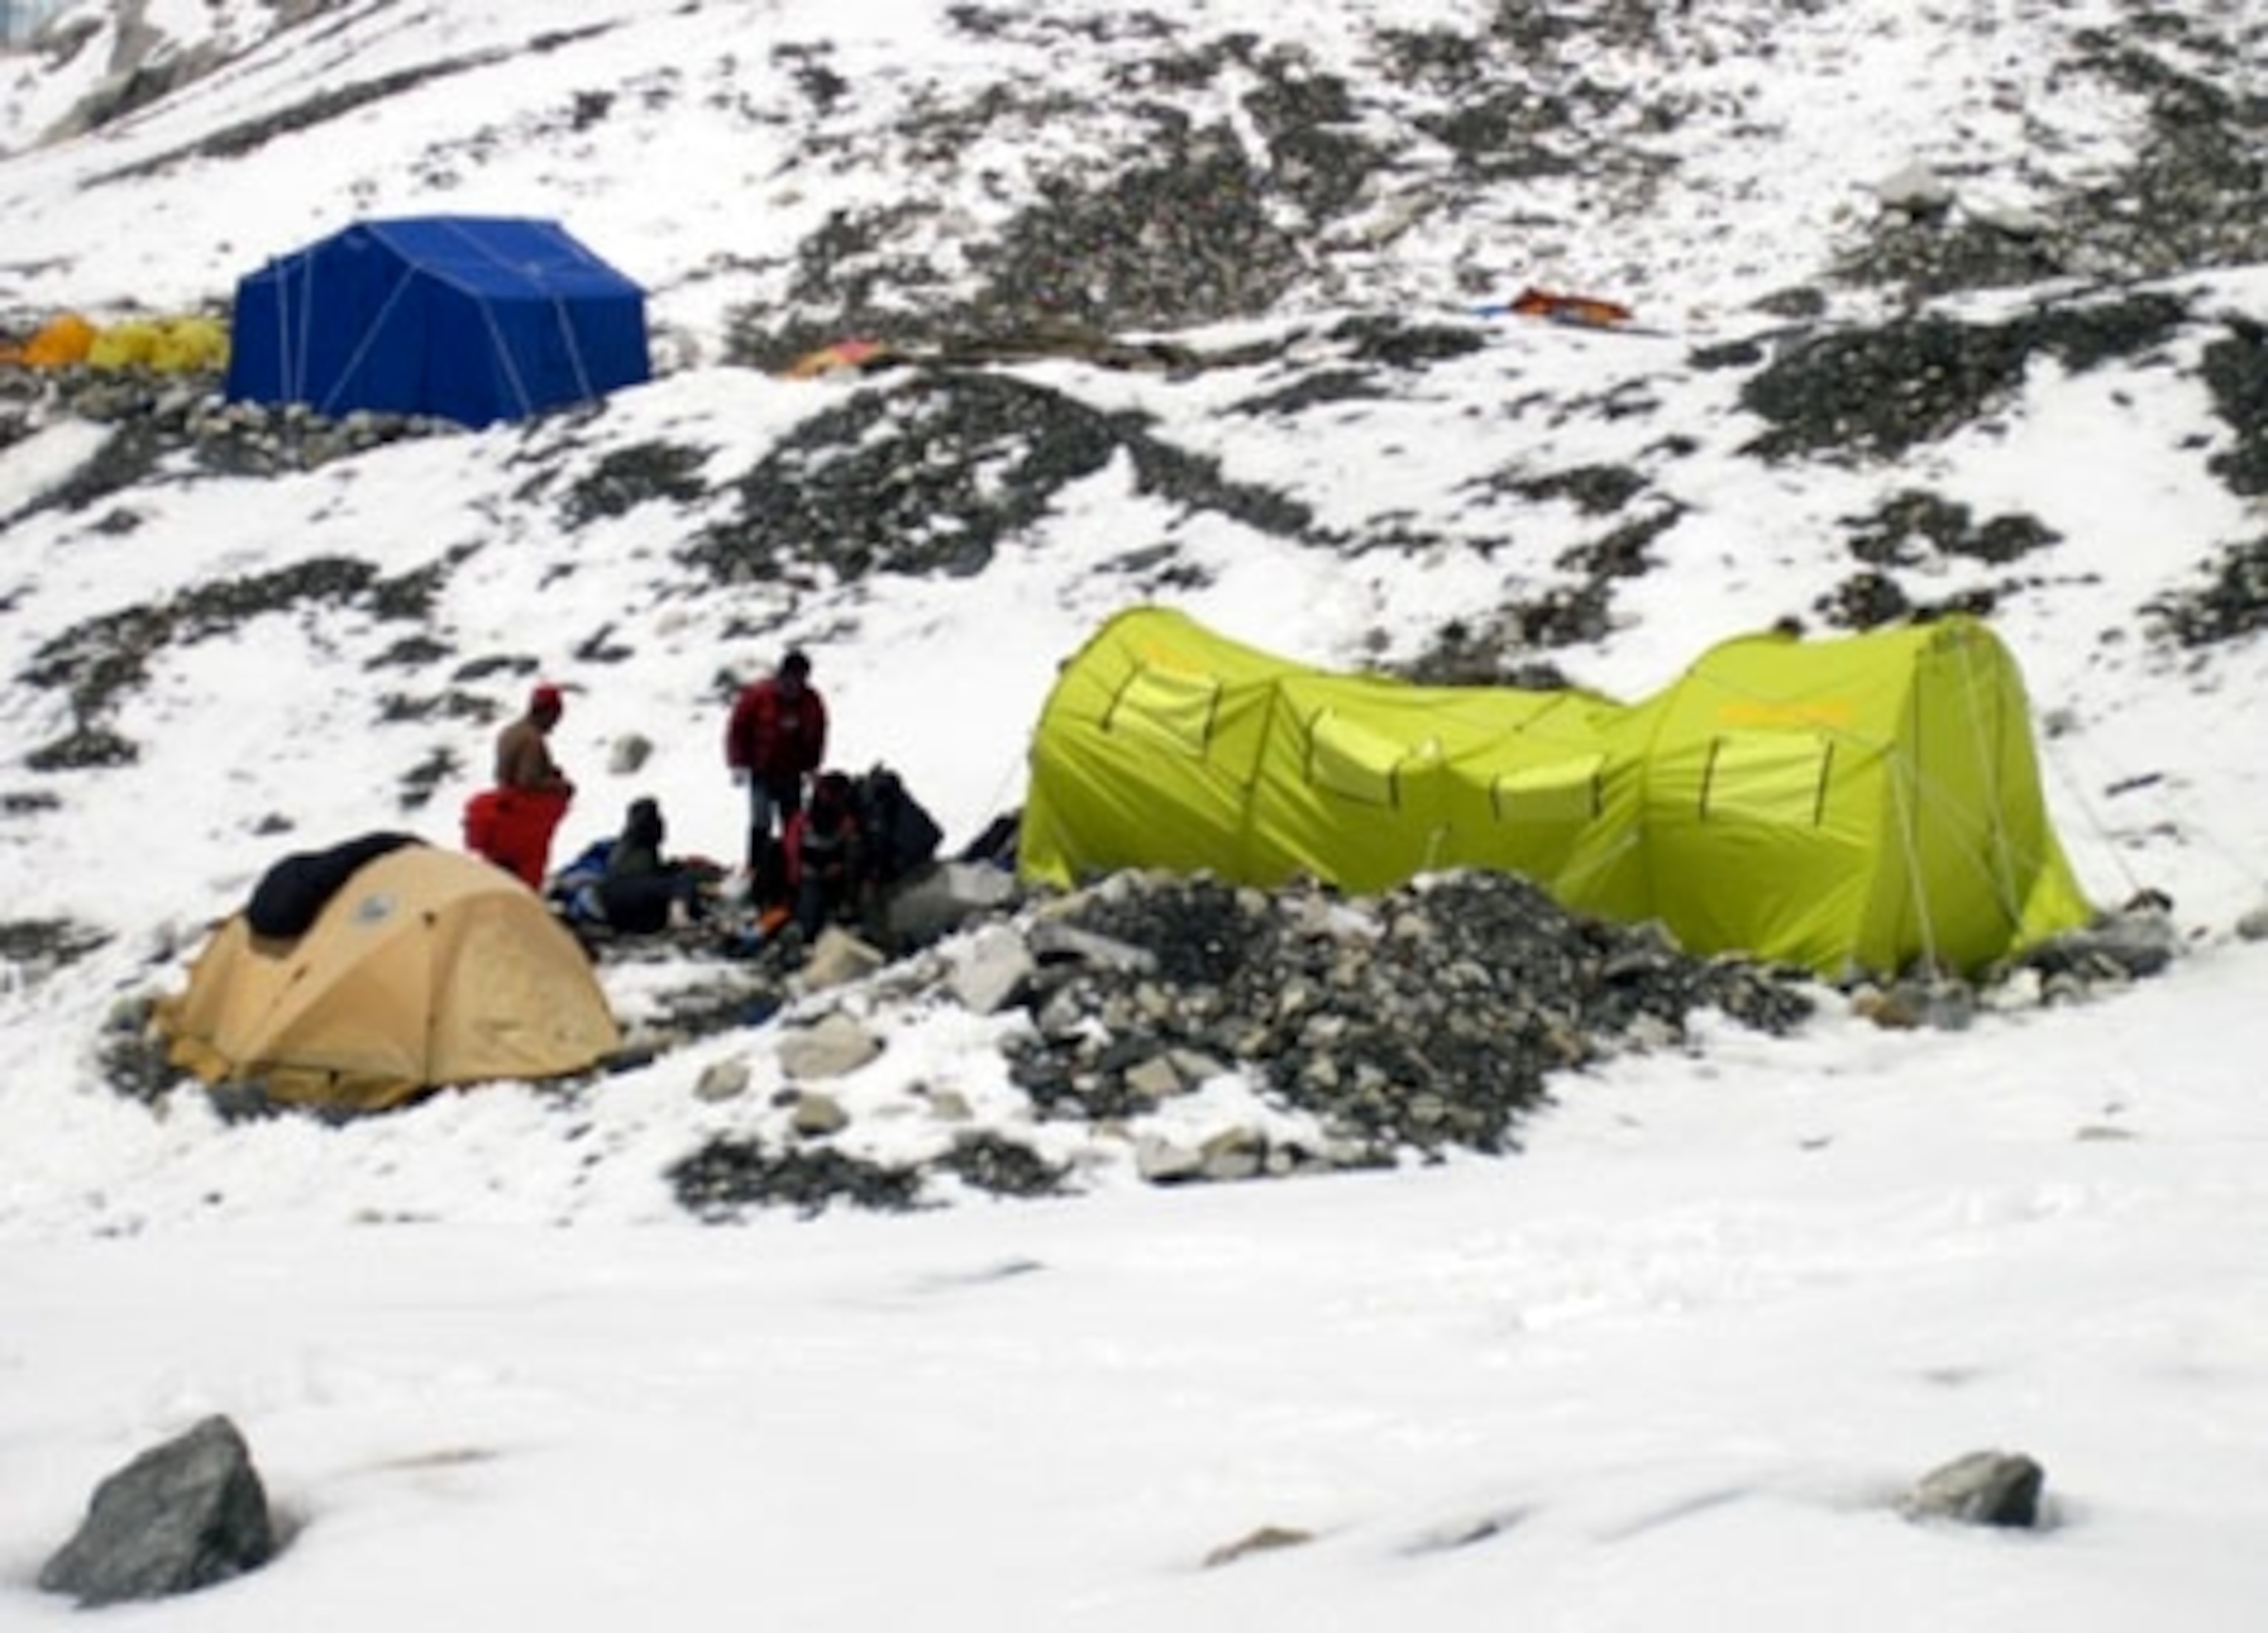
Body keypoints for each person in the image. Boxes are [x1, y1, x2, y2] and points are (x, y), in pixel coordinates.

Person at [724, 648, 827, 890]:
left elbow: (817, 735)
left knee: (793, 823)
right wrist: (737, 762)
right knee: (761, 821)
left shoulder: (811, 702)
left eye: (800, 680)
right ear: (781, 675)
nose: (793, 686)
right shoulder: (758, 696)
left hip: (791, 773)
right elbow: (737, 729)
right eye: (790, 679)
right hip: (761, 771)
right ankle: (756, 868)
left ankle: (791, 870)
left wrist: (813, 766)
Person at [464, 683, 577, 888]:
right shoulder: (532, 740)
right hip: (523, 821)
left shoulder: (510, 732)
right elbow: (528, 781)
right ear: (549, 712)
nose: (556, 723)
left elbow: (504, 775)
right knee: (526, 879)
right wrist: (559, 785)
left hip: (502, 817)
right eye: (556, 716)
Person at [595, 796, 711, 935]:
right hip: (627, 890)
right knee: (681, 881)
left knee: (674, 881)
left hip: (611, 900)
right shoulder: (640, 836)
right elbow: (645, 827)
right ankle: (679, 917)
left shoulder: (626, 845)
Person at [780, 770, 873, 943]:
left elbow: (854, 853)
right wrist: (797, 878)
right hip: (809, 876)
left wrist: (840, 868)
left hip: (837, 878)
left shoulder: (848, 821)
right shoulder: (802, 820)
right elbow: (792, 853)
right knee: (809, 918)